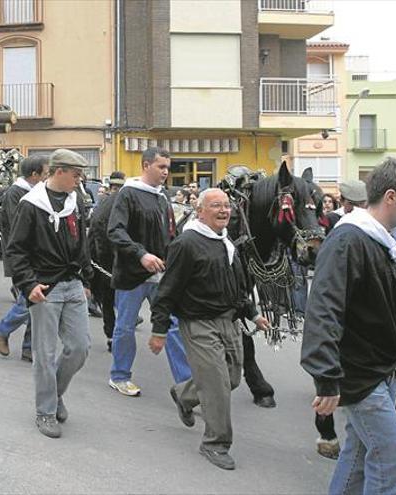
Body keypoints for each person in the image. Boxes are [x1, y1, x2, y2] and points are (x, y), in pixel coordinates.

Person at [301, 158, 396, 494]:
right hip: (360, 375)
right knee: (394, 468)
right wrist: (326, 377)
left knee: (357, 458)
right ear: (391, 196)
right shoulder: (348, 241)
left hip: (383, 371)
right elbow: (323, 311)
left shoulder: (390, 241)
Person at [148, 188, 269, 470]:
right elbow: (166, 291)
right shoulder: (186, 244)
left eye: (227, 205)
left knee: (232, 378)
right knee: (216, 385)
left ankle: (184, 394)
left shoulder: (226, 242)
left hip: (228, 321)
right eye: (216, 205)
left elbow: (237, 286)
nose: (224, 210)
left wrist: (253, 313)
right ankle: (215, 443)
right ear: (200, 210)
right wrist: (159, 330)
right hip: (198, 322)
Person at [5, 149, 94, 438]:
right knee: (44, 353)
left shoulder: (75, 201)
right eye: (76, 174)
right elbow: (16, 249)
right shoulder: (30, 205)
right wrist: (28, 284)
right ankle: (45, 411)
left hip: (72, 284)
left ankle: (54, 394)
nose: (79, 180)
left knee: (80, 348)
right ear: (59, 172)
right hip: (44, 288)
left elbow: (82, 243)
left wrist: (86, 278)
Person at [106, 147, 191, 396]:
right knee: (125, 326)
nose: (166, 172)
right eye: (161, 166)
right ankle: (119, 376)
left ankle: (187, 386)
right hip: (131, 275)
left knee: (173, 324)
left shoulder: (162, 197)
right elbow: (115, 231)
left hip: (161, 274)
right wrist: (141, 254)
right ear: (145, 165)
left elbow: (169, 235)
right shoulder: (128, 194)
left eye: (168, 167)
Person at [0, 154, 49, 362]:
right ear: (34, 175)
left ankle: (28, 347)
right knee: (28, 301)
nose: (48, 177)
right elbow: (20, 229)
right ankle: (2, 328)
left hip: (40, 257)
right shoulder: (16, 194)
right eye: (45, 173)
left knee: (39, 303)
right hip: (23, 258)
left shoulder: (39, 193)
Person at [88, 171, 126, 352]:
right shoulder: (122, 204)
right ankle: (117, 335)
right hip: (115, 261)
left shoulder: (101, 205)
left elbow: (93, 233)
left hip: (101, 260)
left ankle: (110, 334)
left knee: (108, 302)